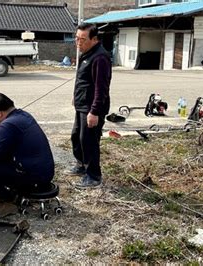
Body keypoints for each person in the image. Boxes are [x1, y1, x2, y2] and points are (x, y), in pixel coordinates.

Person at [0, 93, 55, 217]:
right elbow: (8, 146)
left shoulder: (7, 125)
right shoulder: (24, 115)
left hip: (34, 176)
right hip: (45, 171)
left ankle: (9, 202)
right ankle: (15, 193)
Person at [65, 23, 112, 189]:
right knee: (76, 136)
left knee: (89, 141)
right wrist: (75, 96)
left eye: (82, 39)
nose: (78, 42)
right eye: (77, 38)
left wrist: (94, 111)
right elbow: (83, 80)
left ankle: (94, 176)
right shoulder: (86, 54)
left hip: (92, 108)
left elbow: (101, 88)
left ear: (94, 39)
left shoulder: (100, 58)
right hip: (82, 104)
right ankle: (81, 165)